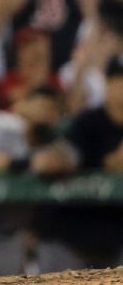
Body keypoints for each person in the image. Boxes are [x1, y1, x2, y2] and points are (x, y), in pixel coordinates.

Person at [0, 86, 75, 276]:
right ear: (24, 105)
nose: (46, 114)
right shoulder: (1, 123)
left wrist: (53, 161)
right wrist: (29, 162)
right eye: (42, 106)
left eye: (53, 110)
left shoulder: (50, 140)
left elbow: (70, 161)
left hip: (13, 233)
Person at [36, 55, 123, 271]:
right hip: (69, 239)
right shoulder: (88, 122)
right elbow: (57, 160)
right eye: (119, 79)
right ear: (108, 82)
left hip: (113, 243)